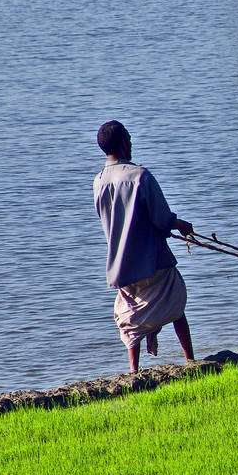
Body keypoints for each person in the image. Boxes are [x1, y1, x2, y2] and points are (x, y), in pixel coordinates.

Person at [93, 120, 195, 372]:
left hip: (121, 265)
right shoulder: (140, 176)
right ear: (124, 143)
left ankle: (134, 370)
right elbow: (161, 218)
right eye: (129, 137)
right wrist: (180, 224)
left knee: (131, 315)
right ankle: (190, 360)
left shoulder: (99, 180)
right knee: (176, 304)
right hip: (153, 260)